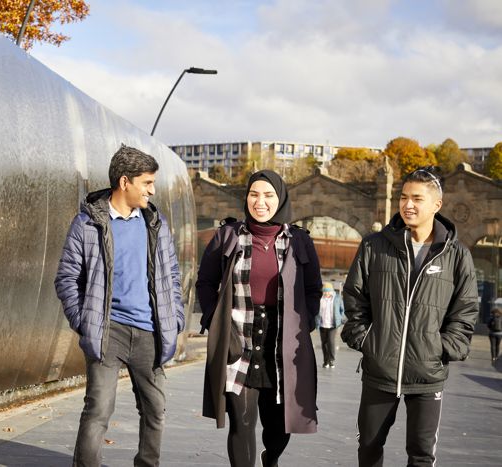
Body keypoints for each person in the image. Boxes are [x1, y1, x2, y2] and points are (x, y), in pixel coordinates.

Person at [54, 144, 185, 467]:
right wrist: (85, 322)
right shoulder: (87, 224)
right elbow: (67, 278)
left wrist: (175, 319)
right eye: (147, 183)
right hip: (107, 332)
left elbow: (171, 276)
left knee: (155, 410)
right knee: (98, 409)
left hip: (149, 334)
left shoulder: (156, 223)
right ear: (125, 182)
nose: (152, 191)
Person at [341, 166, 478, 467]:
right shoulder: (374, 246)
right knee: (369, 448)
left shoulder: (455, 255)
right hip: (380, 369)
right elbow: (354, 297)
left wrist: (442, 349)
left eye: (417, 198)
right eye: (403, 197)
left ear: (437, 205)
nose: (408, 205)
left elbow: (465, 310)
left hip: (428, 373)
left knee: (421, 455)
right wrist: (366, 339)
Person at [196, 170, 322, 467]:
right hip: (238, 338)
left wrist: (307, 324)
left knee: (279, 425)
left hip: (282, 344)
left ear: (281, 200)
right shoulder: (227, 236)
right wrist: (215, 320)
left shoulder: (299, 241)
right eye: (254, 194)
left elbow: (313, 288)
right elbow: (205, 282)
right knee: (241, 422)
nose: (260, 202)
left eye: (268, 195)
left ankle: (271, 456)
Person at [316, 282, 345, 368]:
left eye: (328, 291)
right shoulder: (320, 299)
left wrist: (341, 319)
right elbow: (317, 311)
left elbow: (342, 310)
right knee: (324, 343)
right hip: (322, 324)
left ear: (331, 291)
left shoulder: (337, 298)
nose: (326, 293)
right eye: (325, 291)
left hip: (333, 325)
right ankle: (326, 361)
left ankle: (331, 360)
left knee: (331, 342)